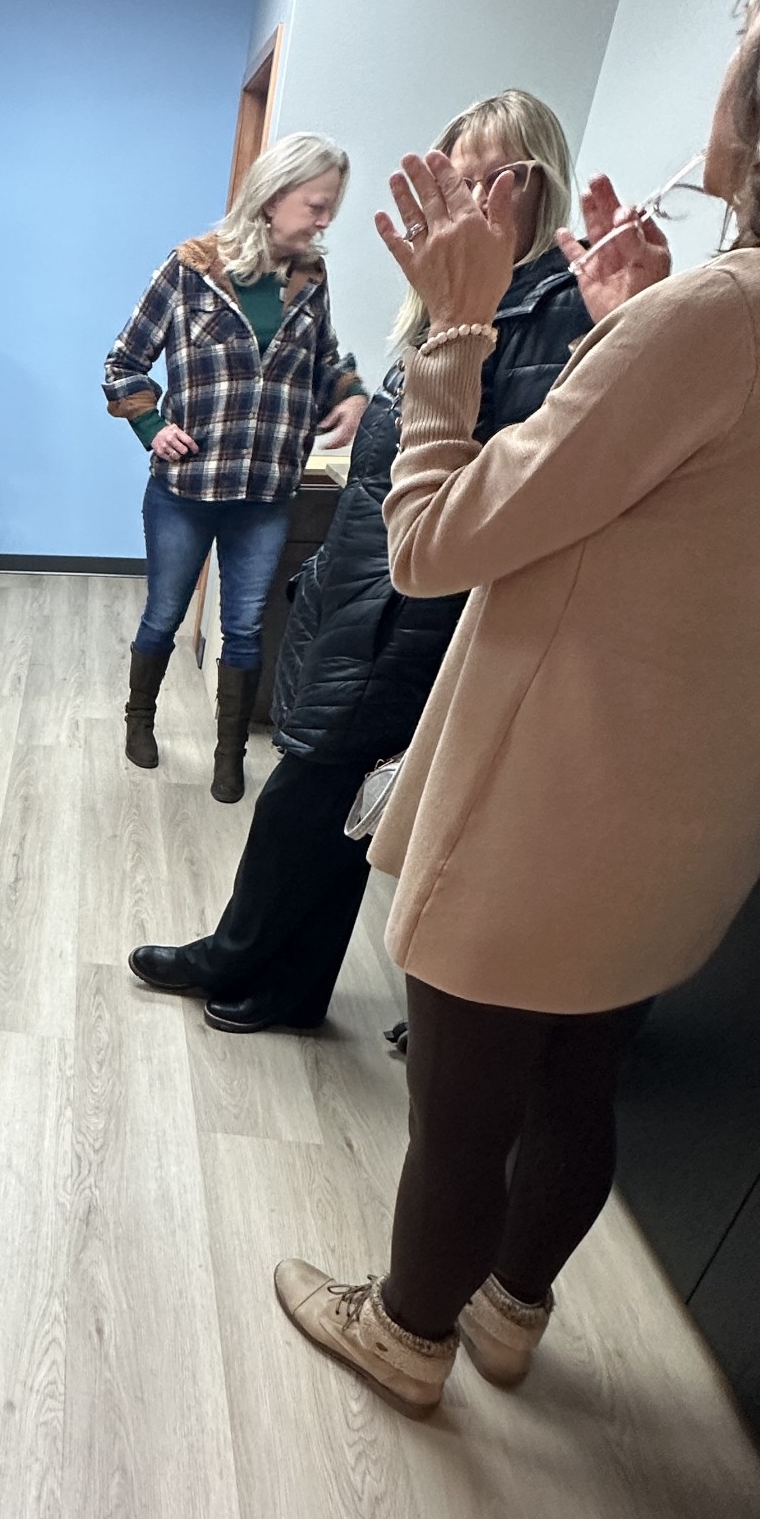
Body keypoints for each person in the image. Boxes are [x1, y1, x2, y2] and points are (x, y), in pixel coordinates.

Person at [273, 0, 760, 1419]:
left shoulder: (729, 315)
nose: (723, 62)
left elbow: (436, 541)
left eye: (740, 29)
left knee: (458, 1112)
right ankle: (513, 1314)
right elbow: (689, 518)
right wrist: (630, 325)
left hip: (552, 808)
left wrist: (453, 332)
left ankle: (407, 1330)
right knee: (578, 1083)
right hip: (684, 826)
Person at [129, 92, 592, 1032]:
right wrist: (155, 424)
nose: (464, 199)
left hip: (415, 611)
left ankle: (245, 958)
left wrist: (338, 397)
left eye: (488, 179)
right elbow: (127, 364)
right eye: (455, 180)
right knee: (333, 800)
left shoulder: (547, 307)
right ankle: (288, 984)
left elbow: (507, 482)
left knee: (311, 792)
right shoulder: (460, 296)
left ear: (534, 186)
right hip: (364, 585)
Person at [103, 132, 369, 797]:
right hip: (186, 489)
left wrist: (352, 395)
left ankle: (228, 755)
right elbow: (123, 361)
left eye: (331, 205)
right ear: (273, 197)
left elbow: (325, 362)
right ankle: (140, 720)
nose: (325, 219)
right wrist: (150, 424)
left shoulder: (311, 277)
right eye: (316, 204)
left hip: (267, 489)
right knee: (163, 614)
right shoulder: (189, 268)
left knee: (244, 627)